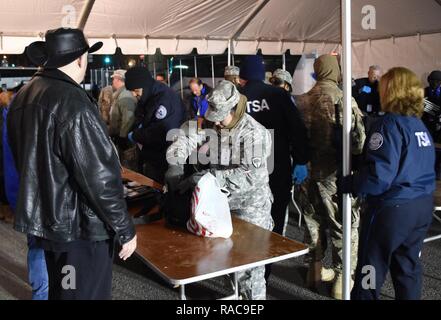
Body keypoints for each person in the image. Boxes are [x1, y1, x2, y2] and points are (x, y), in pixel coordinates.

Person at [8, 28, 137, 300]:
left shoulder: (24, 95)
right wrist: (124, 228)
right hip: (79, 231)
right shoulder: (71, 101)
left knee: (63, 291)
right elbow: (98, 177)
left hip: (50, 224)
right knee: (79, 294)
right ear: (80, 59)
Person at [166, 80, 273, 300]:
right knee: (228, 265)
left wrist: (208, 177)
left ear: (234, 110)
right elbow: (186, 137)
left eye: (221, 119)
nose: (217, 125)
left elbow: (250, 177)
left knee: (249, 272)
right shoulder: (214, 122)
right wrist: (175, 164)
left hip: (250, 207)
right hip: (221, 205)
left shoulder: (254, 133)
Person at [349, 67, 435, 300]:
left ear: (392, 90)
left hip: (393, 209)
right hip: (422, 205)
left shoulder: (388, 125)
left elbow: (379, 177)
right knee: (407, 268)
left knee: (370, 267)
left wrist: (354, 183)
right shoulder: (419, 126)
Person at [295, 54, 366, 299]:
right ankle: (341, 279)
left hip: (306, 175)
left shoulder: (301, 100)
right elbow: (358, 142)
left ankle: (313, 271)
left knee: (312, 224)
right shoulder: (344, 99)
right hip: (335, 175)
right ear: (335, 70)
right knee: (343, 226)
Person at [239, 55, 310, 237]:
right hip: (277, 165)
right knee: (275, 218)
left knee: (246, 222)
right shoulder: (278, 95)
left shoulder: (237, 98)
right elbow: (297, 128)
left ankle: (249, 260)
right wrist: (301, 159)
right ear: (262, 74)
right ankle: (269, 261)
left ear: (242, 75)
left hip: (244, 169)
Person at [125, 66, 185, 183]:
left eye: (136, 90)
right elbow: (140, 117)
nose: (134, 94)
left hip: (165, 159)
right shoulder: (148, 96)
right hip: (151, 156)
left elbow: (162, 132)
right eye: (131, 91)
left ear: (145, 85)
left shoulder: (165, 100)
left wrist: (136, 135)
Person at [108, 69, 138, 170]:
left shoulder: (125, 96)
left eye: (114, 79)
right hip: (122, 136)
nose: (112, 82)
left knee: (128, 163)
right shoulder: (121, 95)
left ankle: (131, 182)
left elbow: (128, 118)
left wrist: (123, 136)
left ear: (119, 80)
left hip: (126, 139)